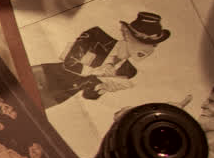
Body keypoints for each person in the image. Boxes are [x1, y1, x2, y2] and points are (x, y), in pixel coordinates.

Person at [33, 11, 170, 108]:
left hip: (57, 96)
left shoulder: (128, 71)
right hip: (44, 76)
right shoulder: (96, 36)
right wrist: (96, 71)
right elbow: (70, 63)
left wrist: (101, 88)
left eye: (154, 44)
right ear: (127, 34)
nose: (150, 48)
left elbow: (87, 95)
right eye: (144, 41)